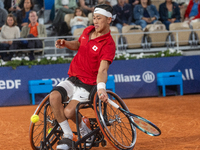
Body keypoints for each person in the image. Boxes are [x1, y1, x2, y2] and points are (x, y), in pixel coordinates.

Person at [49, 4, 116, 150]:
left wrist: (101, 88)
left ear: (109, 19)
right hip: (73, 78)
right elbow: (79, 44)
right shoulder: (88, 30)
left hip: (88, 84)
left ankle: (87, 131)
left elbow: (103, 70)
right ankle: (67, 134)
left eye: (99, 18)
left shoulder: (108, 44)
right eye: (94, 18)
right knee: (53, 97)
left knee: (68, 111)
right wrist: (66, 43)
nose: (95, 21)